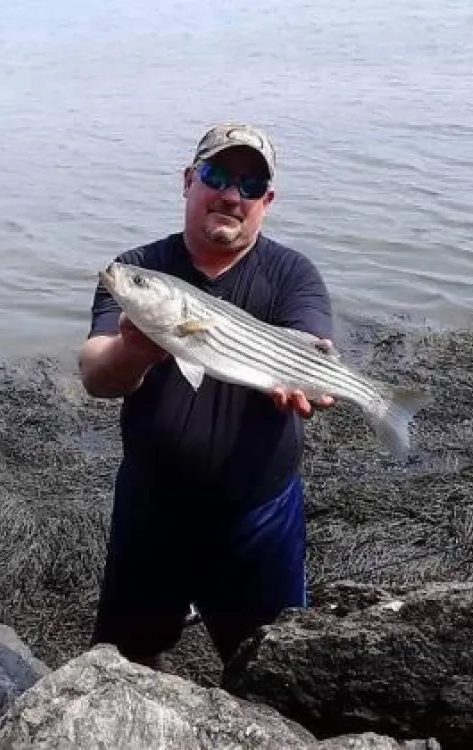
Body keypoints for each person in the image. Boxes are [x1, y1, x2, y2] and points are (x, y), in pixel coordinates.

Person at [78, 123, 335, 672]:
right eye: (216, 176)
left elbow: (311, 345)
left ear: (267, 201)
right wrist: (137, 349)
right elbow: (96, 375)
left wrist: (311, 371)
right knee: (129, 660)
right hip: (151, 508)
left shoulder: (293, 274)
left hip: (258, 514)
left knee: (270, 665)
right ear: (189, 180)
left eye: (249, 185)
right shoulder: (138, 268)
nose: (230, 195)